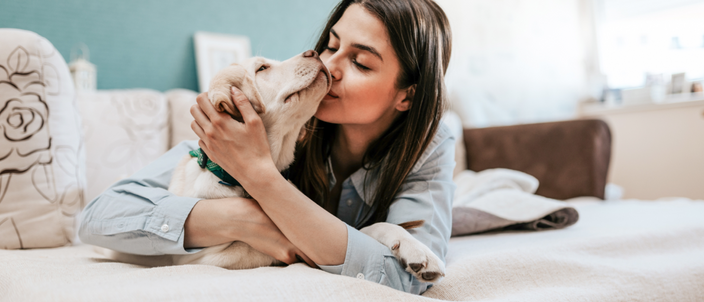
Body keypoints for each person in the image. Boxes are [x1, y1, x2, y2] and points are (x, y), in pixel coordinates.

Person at [79, 0, 454, 295]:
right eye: (332, 44)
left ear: (407, 95)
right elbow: (99, 217)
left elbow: (405, 279)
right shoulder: (271, 124)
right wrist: (245, 218)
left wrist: (260, 177)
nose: (329, 64)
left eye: (360, 62)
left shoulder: (428, 146)